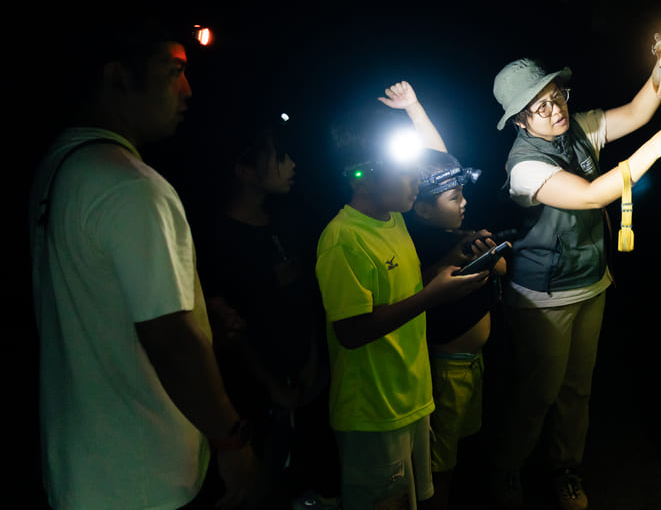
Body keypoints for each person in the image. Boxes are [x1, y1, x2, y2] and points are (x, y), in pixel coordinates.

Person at [29, 25, 258, 510]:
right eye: (173, 71)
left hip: (81, 470)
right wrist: (231, 441)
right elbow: (170, 340)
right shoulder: (132, 186)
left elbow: (98, 298)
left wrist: (199, 312)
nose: (187, 90)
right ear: (118, 78)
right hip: (143, 477)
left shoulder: (62, 165)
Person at [489, 54, 661, 510]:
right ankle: (506, 469)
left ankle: (566, 469)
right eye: (539, 107)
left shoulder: (578, 126)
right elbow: (589, 195)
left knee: (576, 389)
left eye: (555, 96)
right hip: (543, 295)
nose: (555, 109)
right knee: (538, 392)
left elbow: (639, 111)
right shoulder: (523, 167)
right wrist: (654, 149)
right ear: (520, 121)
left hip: (591, 280)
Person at [315, 107, 490, 510]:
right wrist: (434, 297)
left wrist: (449, 260)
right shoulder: (343, 240)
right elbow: (351, 332)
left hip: (411, 395)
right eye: (406, 174)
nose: (417, 183)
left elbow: (404, 289)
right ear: (366, 175)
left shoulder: (393, 218)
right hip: (372, 412)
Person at [195, 109, 335, 509]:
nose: (292, 164)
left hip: (305, 379)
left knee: (302, 478)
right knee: (257, 487)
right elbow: (229, 329)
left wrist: (310, 358)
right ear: (244, 169)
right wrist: (271, 385)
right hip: (253, 396)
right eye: (278, 155)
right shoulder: (219, 240)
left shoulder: (287, 221)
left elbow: (307, 295)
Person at [380, 81, 505, 509]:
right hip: (446, 367)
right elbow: (415, 287)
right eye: (455, 197)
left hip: (472, 363)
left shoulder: (453, 228)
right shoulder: (417, 241)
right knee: (439, 459)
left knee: (462, 442)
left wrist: (415, 109)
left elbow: (438, 160)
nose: (465, 201)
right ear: (422, 207)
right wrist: (455, 258)